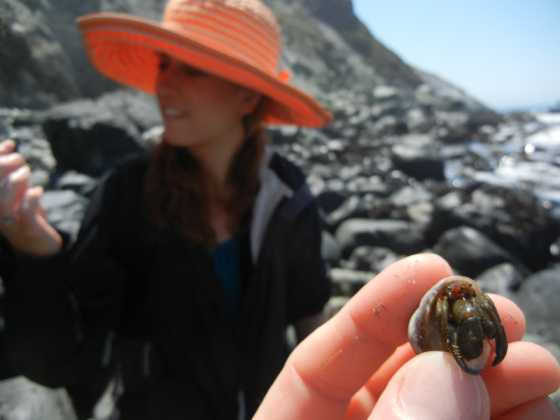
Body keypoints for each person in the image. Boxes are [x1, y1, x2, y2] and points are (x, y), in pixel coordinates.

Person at [0, 0, 332, 418]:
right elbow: (62, 358)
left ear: (247, 96)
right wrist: (34, 249)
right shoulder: (126, 193)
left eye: (191, 68)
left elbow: (310, 317)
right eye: (163, 64)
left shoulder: (288, 194)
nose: (164, 84)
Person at [253, 254, 560, 420]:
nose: (462, 295)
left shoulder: (469, 299)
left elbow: (484, 307)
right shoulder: (444, 303)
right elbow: (441, 316)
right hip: (441, 333)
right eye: (457, 293)